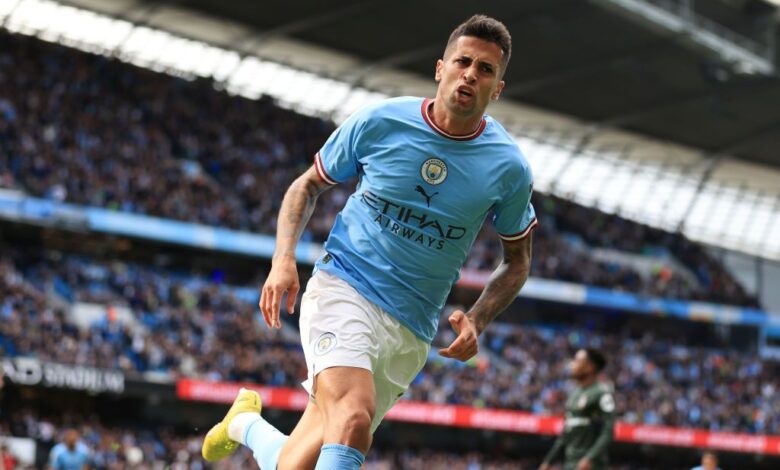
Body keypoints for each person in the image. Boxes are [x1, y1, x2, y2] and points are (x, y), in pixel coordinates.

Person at [202, 14, 536, 470]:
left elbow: (517, 261)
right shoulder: (382, 121)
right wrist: (283, 260)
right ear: (441, 68)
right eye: (463, 62)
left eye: (485, 70)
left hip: (413, 327)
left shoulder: (508, 168)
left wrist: (478, 317)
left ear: (496, 89)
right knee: (354, 416)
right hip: (346, 287)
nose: (470, 75)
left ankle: (244, 425)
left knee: (295, 462)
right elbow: (306, 186)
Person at [539, 349, 615, 470]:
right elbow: (565, 433)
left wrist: (590, 458)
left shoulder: (602, 393)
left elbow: (608, 432)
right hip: (570, 463)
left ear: (590, 367)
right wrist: (548, 461)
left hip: (591, 466)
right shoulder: (574, 394)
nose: (572, 365)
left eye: (578, 360)